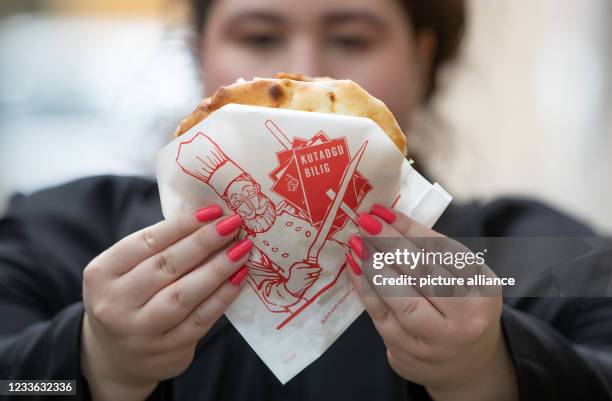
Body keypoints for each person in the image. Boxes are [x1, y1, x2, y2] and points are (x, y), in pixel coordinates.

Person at [1, 0, 611, 400]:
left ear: (424, 59)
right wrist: (91, 360)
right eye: (260, 34)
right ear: (199, 53)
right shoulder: (63, 234)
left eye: (351, 38)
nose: (303, 73)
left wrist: (492, 370)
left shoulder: (534, 254)